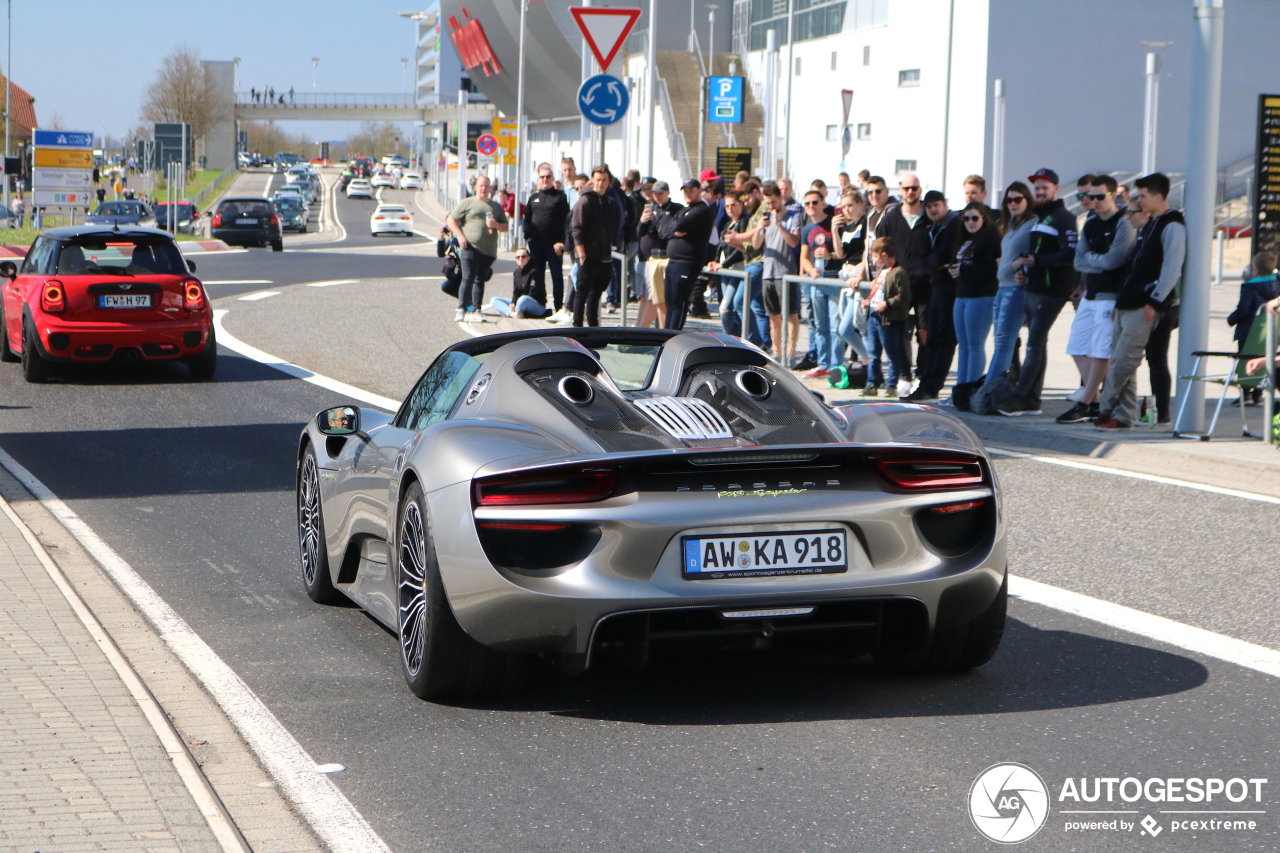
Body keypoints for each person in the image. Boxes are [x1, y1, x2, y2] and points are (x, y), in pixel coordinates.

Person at [1095, 173, 1186, 430]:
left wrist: (1154, 302)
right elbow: (1135, 266)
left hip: (1144, 305)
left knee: (1125, 360)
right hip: (1127, 302)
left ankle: (1104, 407)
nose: (1139, 201)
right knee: (1123, 361)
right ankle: (1123, 416)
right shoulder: (1151, 224)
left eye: (1144, 196)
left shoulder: (1172, 226)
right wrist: (1120, 300)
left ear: (1158, 197)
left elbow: (1171, 268)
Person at [996, 168, 1078, 416]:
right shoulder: (1041, 218)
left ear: (1056, 189)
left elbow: (1070, 253)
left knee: (1034, 345)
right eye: (1037, 188)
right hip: (1034, 287)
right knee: (1038, 345)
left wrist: (1037, 262)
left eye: (1045, 187)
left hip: (1053, 291)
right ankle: (1032, 399)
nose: (1040, 192)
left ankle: (1020, 396)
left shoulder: (1064, 217)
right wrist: (1025, 271)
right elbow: (1035, 254)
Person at [1058, 175, 1135, 423]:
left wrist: (1094, 260)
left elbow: (1116, 260)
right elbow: (1078, 260)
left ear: (1113, 195)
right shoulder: (1090, 223)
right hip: (1090, 293)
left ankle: (1085, 401)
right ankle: (1096, 398)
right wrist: (1098, 262)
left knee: (1102, 351)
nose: (1094, 201)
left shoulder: (1124, 222)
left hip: (1111, 295)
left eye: (1100, 196)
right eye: (1090, 196)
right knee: (1077, 346)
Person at [904, 190, 961, 402]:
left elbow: (946, 253)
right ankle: (926, 383)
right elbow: (923, 257)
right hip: (936, 285)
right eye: (928, 207)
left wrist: (934, 261)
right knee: (932, 338)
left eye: (936, 205)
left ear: (945, 204)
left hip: (950, 287)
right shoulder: (930, 226)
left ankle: (933, 386)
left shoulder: (954, 223)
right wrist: (934, 262)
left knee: (944, 339)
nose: (933, 210)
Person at [875, 174, 931, 386]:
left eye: (914, 188)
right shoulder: (891, 217)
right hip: (898, 285)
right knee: (898, 333)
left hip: (925, 285)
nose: (910, 192)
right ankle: (904, 374)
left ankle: (923, 375)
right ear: (900, 190)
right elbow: (880, 247)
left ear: (920, 190)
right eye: (907, 188)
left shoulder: (929, 216)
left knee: (925, 333)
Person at [947, 202, 1002, 410]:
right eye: (967, 218)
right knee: (964, 344)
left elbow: (990, 269)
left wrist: (964, 270)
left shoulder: (991, 238)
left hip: (982, 295)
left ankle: (971, 389)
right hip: (962, 293)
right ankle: (961, 390)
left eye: (975, 218)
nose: (970, 222)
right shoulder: (963, 238)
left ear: (984, 219)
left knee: (975, 343)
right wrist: (956, 270)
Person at [984, 182, 1035, 385]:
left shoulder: (1032, 224)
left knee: (1005, 343)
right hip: (1002, 287)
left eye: (1017, 199)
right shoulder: (1012, 225)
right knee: (1000, 343)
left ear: (1027, 200)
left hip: (1015, 289)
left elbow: (1033, 254)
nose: (1013, 204)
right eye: (1009, 200)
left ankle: (988, 391)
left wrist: (1017, 265)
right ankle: (991, 388)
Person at [446, 175, 508, 322]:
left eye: (486, 186)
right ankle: (461, 309)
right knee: (468, 278)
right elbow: (451, 219)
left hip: (489, 250)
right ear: (476, 187)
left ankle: (477, 310)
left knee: (480, 280)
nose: (483, 188)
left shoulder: (496, 206)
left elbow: (505, 226)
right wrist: (460, 236)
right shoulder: (467, 202)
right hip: (470, 246)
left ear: (490, 188)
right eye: (481, 186)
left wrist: (496, 225)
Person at [752, 181, 802, 363]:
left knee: (790, 314)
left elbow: (794, 242)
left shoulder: (793, 216)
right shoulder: (764, 218)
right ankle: (777, 352)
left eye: (773, 202)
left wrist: (779, 224)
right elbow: (756, 245)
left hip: (786, 273)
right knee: (773, 315)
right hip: (768, 273)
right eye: (768, 203)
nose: (771, 206)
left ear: (781, 198)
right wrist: (759, 227)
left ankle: (791, 354)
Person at [799, 189, 843, 379]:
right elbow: (803, 257)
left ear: (823, 203)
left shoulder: (834, 223)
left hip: (834, 277)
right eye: (807, 203)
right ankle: (822, 364)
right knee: (820, 325)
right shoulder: (807, 228)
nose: (811, 207)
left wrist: (829, 255)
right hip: (817, 280)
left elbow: (844, 253)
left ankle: (836, 365)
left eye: (814, 202)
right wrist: (811, 270)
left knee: (835, 325)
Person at [1228, 251, 1280, 404]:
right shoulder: (1277, 284)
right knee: (1264, 358)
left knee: (1245, 360)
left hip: (1248, 330)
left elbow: (1244, 309)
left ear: (1255, 269)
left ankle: (1245, 393)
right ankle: (1258, 393)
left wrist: (1232, 319)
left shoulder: (1249, 287)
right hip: (1270, 331)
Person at [863, 237, 912, 398]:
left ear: (884, 255)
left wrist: (888, 303)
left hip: (889, 319)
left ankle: (891, 385)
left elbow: (904, 296)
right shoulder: (882, 271)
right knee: (873, 352)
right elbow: (877, 290)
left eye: (875, 257)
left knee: (891, 352)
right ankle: (872, 383)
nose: (874, 260)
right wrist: (868, 302)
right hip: (875, 316)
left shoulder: (898, 272)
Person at [569, 167, 619, 327]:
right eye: (597, 179)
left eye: (604, 180)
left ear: (609, 181)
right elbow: (576, 228)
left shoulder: (608, 202)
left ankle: (593, 328)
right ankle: (577, 329)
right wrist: (582, 254)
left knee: (596, 294)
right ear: (593, 180)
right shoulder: (585, 200)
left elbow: (611, 228)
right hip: (587, 255)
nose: (600, 183)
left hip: (603, 256)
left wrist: (609, 249)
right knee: (581, 293)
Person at [663, 179, 715, 329]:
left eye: (691, 190)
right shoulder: (684, 210)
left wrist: (676, 228)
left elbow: (678, 225)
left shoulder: (702, 210)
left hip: (688, 262)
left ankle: (672, 335)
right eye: (685, 191)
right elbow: (664, 228)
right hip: (673, 260)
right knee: (670, 302)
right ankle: (665, 336)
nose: (688, 194)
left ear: (699, 191)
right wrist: (675, 231)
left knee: (679, 301)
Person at [523, 167, 570, 313]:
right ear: (538, 179)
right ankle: (540, 305)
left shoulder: (560, 197)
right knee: (538, 275)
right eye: (542, 177)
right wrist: (528, 237)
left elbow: (566, 221)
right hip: (536, 244)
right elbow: (527, 219)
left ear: (552, 178)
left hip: (554, 245)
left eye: (548, 176)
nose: (545, 179)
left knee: (556, 276)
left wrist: (562, 241)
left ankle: (558, 307)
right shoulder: (533, 197)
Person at [636, 181, 682, 328]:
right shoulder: (652, 209)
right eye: (655, 194)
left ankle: (666, 330)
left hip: (668, 257)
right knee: (657, 299)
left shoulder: (676, 209)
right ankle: (662, 330)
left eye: (661, 193)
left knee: (668, 298)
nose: (658, 196)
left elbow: (675, 230)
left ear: (667, 193)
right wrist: (643, 222)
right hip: (654, 257)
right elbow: (639, 233)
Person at [489, 248, 549, 318]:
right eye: (518, 257)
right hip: (520, 302)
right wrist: (513, 303)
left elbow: (533, 294)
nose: (520, 259)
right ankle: (512, 313)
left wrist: (517, 303)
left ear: (528, 258)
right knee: (494, 300)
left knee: (523, 299)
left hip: (536, 305)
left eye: (523, 256)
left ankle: (510, 312)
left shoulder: (535, 272)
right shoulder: (516, 272)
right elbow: (516, 291)